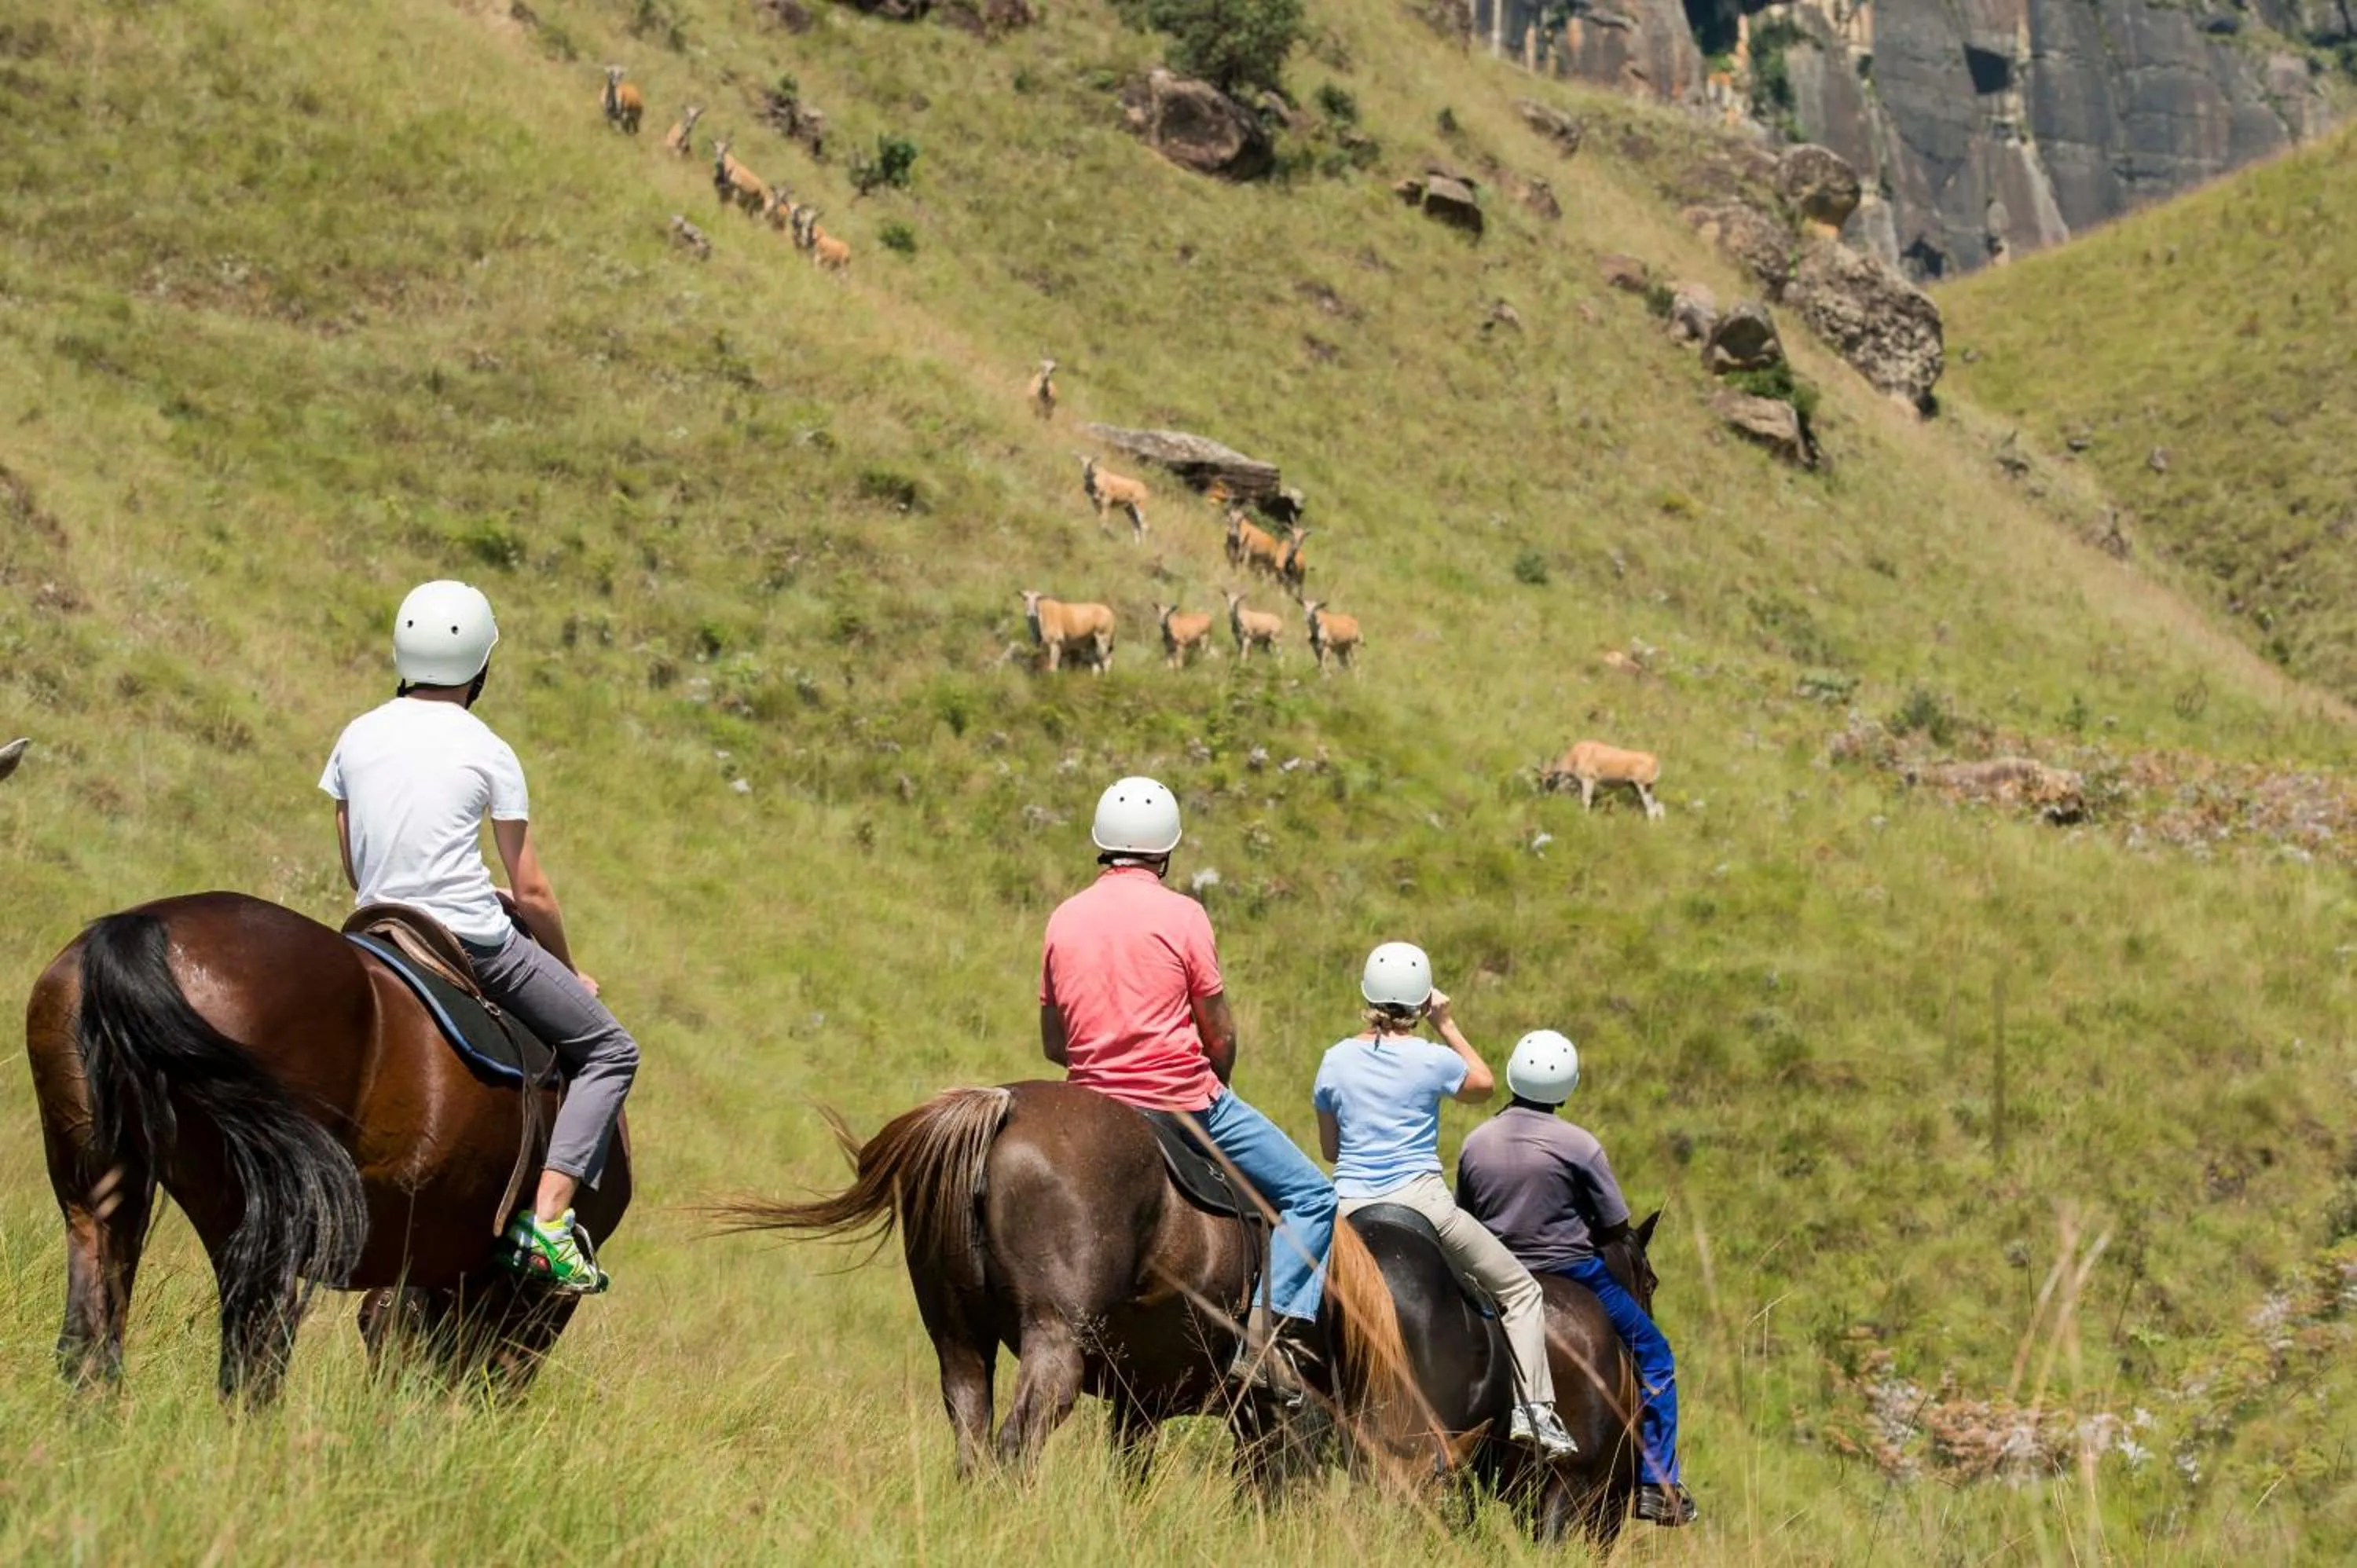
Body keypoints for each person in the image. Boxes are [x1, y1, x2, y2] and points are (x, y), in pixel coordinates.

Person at [320, 581, 640, 1295]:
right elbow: (531, 891)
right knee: (613, 1049)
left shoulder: (357, 733)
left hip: (378, 926)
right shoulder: (488, 748)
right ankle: (550, 1224)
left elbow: (356, 861)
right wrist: (570, 969)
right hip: (469, 938)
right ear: (480, 666)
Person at [1039, 776, 1336, 1389]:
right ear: (1166, 851)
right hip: (1180, 1101)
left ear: (1103, 844)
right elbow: (1219, 1035)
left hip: (1087, 1101)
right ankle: (1263, 1342)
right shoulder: (1185, 915)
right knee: (1313, 1197)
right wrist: (1215, 1078)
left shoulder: (1064, 917)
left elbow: (1053, 1043)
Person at [1312, 943, 1579, 1458]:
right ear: (1419, 1002)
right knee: (1522, 1292)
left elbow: (1330, 1148)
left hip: (1345, 1206)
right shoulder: (1433, 1060)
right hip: (1421, 1202)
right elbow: (1482, 1084)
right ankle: (1536, 1413)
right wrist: (1446, 1023)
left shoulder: (1335, 1060)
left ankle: (1271, 1374)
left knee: (1293, 1289)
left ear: (1366, 995)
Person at [1455, 1030, 1695, 1526]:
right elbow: (1614, 1229)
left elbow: (1465, 1215)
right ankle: (1657, 1483)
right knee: (1655, 1357)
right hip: (1574, 1271)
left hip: (1493, 1274)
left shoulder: (1477, 1142)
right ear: (1567, 1087)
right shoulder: (1580, 1146)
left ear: (1511, 1076)